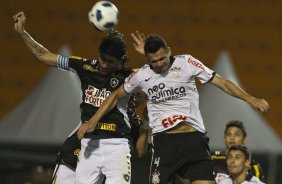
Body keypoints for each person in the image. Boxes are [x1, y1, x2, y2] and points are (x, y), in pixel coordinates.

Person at [77, 33, 270, 184]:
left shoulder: (187, 62)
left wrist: (250, 99)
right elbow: (114, 95)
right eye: (154, 61)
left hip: (193, 139)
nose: (159, 64)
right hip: (165, 144)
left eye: (162, 58)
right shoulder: (142, 75)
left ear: (169, 50)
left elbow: (222, 82)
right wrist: (93, 121)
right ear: (147, 59)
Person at [13, 11, 146, 184]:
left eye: (110, 62)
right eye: (102, 58)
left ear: (121, 61)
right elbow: (44, 55)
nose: (104, 65)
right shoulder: (84, 67)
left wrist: (146, 54)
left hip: (114, 146)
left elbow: (161, 74)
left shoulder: (130, 77)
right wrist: (23, 33)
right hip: (83, 146)